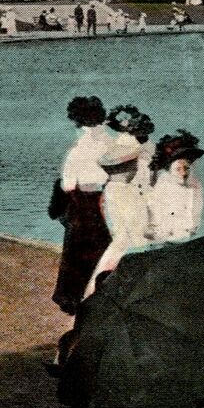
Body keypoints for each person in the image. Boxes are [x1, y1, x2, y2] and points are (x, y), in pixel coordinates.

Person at [51, 95, 114, 315]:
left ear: (78, 122)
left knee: (77, 253)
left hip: (83, 204)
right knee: (105, 248)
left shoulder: (78, 150)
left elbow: (68, 185)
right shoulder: (111, 143)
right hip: (107, 202)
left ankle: (73, 298)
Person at [85, 136, 150, 298]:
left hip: (119, 245)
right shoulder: (123, 191)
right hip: (126, 246)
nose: (136, 169)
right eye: (134, 165)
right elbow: (135, 225)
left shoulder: (111, 189)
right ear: (127, 168)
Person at [146, 130, 204, 242]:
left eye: (186, 168)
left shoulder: (195, 185)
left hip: (185, 235)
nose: (183, 173)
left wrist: (191, 229)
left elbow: (196, 212)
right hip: (164, 236)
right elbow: (154, 210)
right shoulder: (163, 183)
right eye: (178, 169)